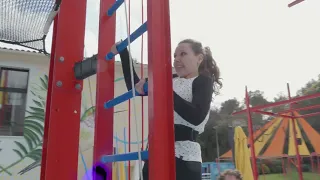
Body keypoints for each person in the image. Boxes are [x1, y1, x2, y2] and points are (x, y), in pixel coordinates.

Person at [110, 39, 222, 180]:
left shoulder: (202, 81)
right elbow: (135, 86)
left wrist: (163, 88)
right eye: (175, 56)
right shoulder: (169, 80)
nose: (177, 59)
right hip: (156, 150)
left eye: (183, 54)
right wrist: (124, 53)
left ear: (199, 58)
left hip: (183, 156)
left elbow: (196, 116)